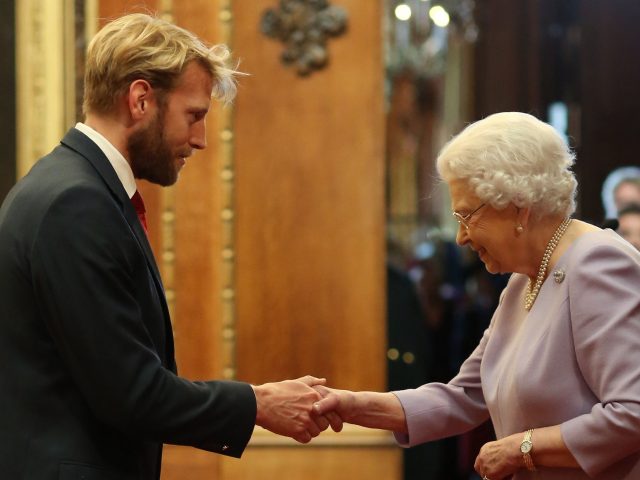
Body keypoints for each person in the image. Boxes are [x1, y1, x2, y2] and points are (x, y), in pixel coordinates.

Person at [0, 13, 339, 479]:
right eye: (194, 115)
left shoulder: (76, 189)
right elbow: (132, 393)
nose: (199, 140)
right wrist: (258, 404)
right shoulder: (75, 203)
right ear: (141, 100)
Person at [315, 112, 640, 479]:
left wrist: (522, 448)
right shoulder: (524, 279)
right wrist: (351, 405)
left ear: (518, 206)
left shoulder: (598, 263)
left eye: (467, 215)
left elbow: (633, 411)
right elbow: (464, 396)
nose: (461, 237)